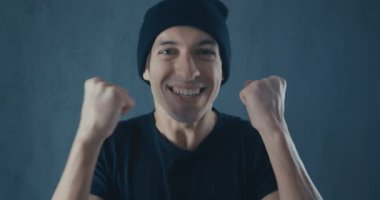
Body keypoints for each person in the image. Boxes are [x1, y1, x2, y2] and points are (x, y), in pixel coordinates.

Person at [53, 0, 322, 199]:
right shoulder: (112, 148)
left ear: (222, 70)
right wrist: (88, 136)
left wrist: (276, 128)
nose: (188, 71)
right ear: (146, 68)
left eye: (205, 52)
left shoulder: (254, 145)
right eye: (169, 51)